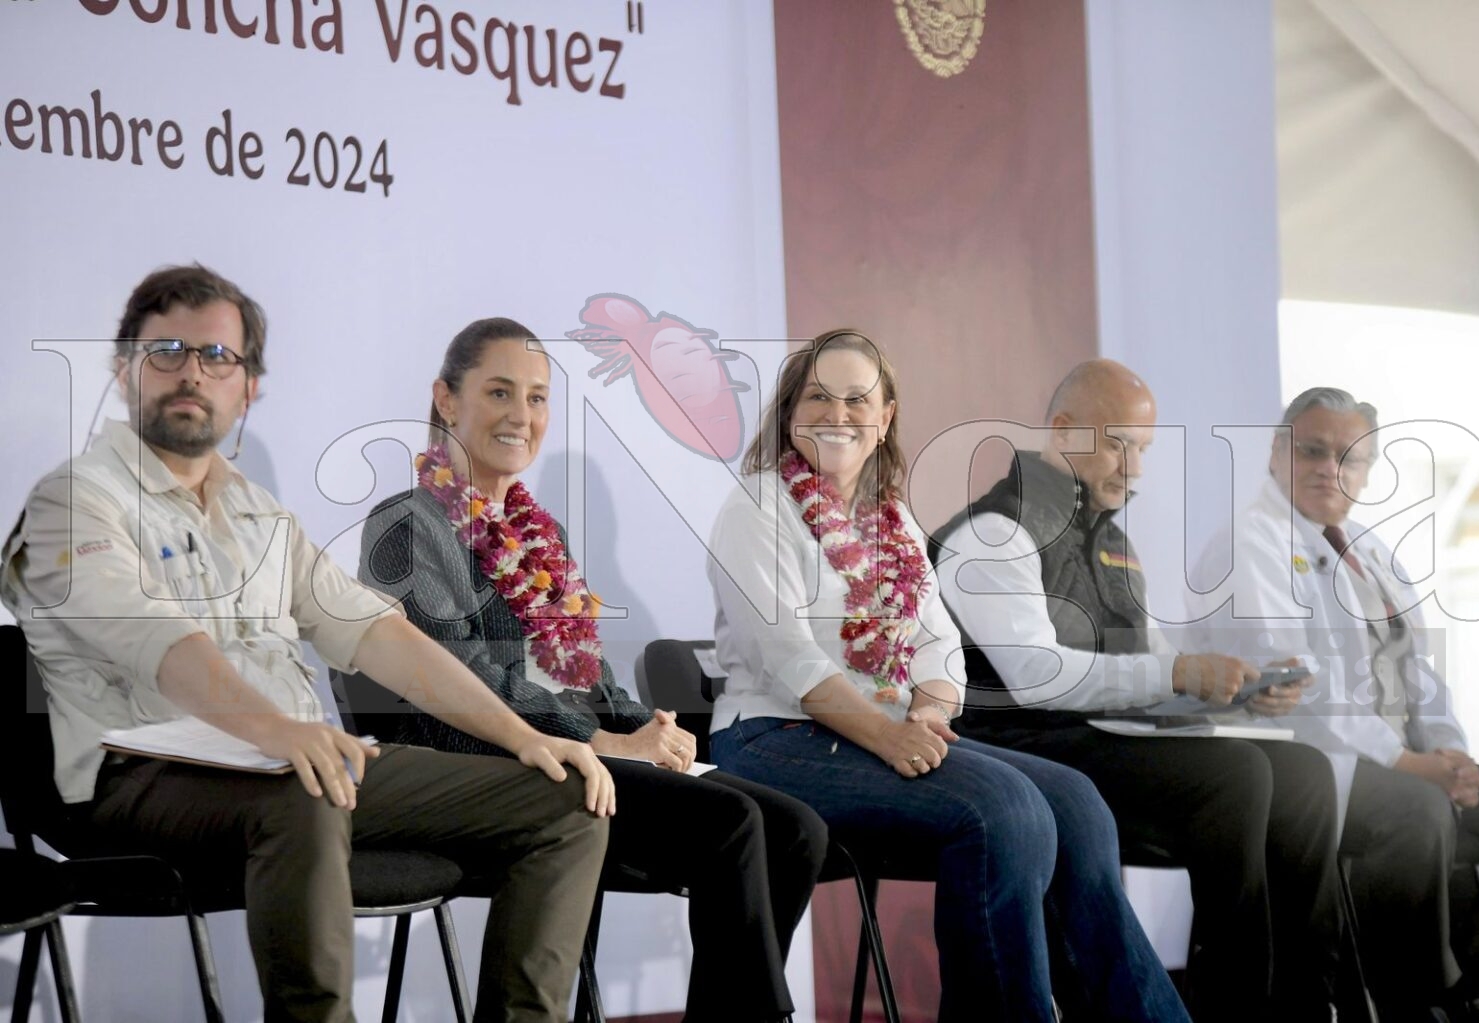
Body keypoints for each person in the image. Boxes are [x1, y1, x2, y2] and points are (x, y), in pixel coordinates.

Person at [0, 265, 615, 1023]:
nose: (193, 371)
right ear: (125, 367)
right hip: (139, 773)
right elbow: (157, 640)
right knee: (307, 783)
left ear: (248, 387)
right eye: (167, 349)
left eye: (217, 356)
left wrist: (523, 737)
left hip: (293, 766)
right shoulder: (75, 498)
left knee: (566, 798)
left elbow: (379, 633)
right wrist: (281, 731)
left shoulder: (258, 514)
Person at [704, 331, 1191, 1023]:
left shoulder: (890, 517)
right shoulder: (756, 508)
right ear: (789, 412)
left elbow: (939, 644)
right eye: (817, 396)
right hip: (775, 736)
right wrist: (890, 734)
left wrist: (928, 712)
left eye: (857, 399)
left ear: (886, 416)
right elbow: (793, 661)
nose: (837, 413)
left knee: (1077, 800)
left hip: (890, 729)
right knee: (1006, 808)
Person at [357, 317, 828, 1023]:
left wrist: (646, 727)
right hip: (480, 760)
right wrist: (601, 740)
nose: (523, 415)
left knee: (797, 828)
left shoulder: (537, 529)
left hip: (582, 752)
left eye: (539, 398)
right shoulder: (409, 525)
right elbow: (459, 678)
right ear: (446, 400)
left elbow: (585, 664)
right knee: (728, 820)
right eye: (500, 391)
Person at [926, 359, 1346, 1022]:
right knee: (1235, 775)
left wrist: (1232, 690)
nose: (1137, 468)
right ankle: (1234, 1004)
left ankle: (1303, 1000)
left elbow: (1150, 662)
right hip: (1017, 751)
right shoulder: (993, 531)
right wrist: (1177, 674)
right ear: (1064, 430)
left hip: (1099, 741)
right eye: (1121, 443)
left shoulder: (1110, 539)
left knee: (1303, 772)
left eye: (1144, 449)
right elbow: (1038, 679)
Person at [1189, 386, 1479, 1023]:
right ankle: (1420, 997)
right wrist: (1406, 762)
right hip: (1310, 782)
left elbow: (1419, 671)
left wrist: (1448, 751)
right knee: (1417, 808)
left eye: (1350, 458)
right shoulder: (1250, 544)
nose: (1331, 468)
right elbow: (1289, 684)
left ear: (1368, 470)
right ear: (1276, 453)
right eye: (1313, 451)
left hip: (1404, 763)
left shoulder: (1371, 553)